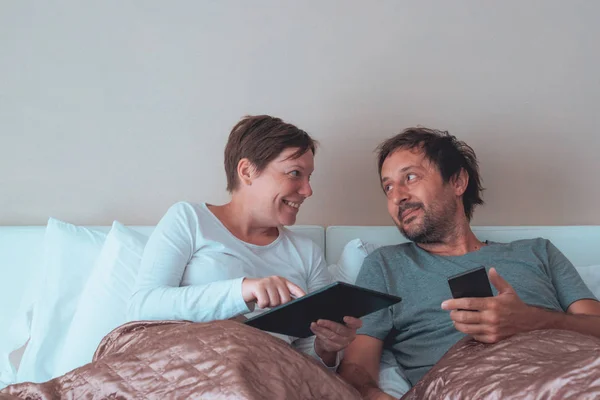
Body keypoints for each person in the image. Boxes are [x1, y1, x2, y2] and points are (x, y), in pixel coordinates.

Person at [338, 127, 600, 399]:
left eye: (411, 177)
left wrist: (533, 321)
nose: (397, 197)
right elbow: (355, 367)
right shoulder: (385, 265)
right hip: (469, 381)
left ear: (458, 182)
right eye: (388, 187)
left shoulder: (538, 251)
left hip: (572, 364)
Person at [128, 115, 362, 369]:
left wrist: (325, 347)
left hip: (271, 377)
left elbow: (305, 354)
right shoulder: (189, 220)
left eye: (309, 177)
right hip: (189, 369)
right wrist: (241, 291)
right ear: (247, 171)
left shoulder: (306, 253)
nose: (307, 190)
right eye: (295, 173)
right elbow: (143, 307)